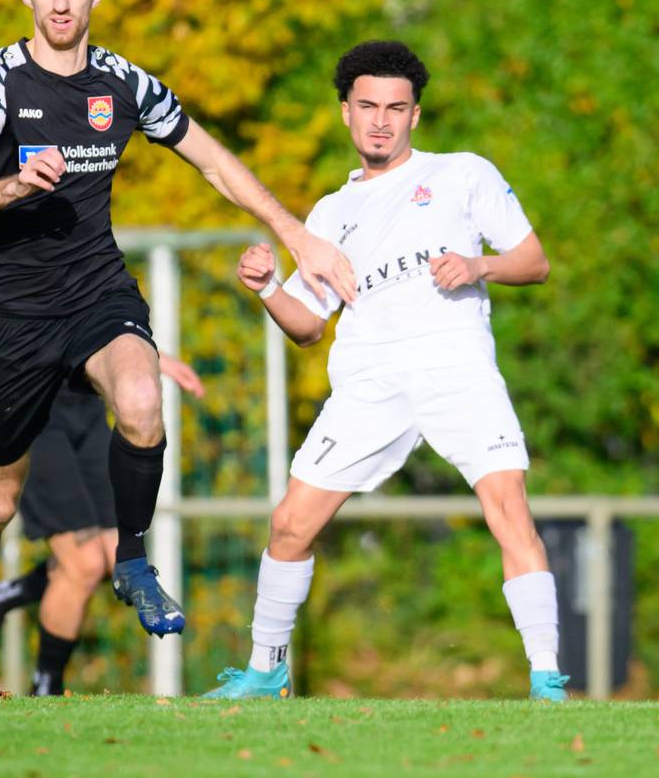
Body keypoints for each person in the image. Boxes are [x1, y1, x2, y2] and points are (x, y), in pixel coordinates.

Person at [0, 0, 356, 696]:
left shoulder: (124, 83)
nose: (62, 2)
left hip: (95, 292)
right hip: (12, 319)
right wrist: (16, 185)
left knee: (138, 398)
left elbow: (212, 160)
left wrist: (294, 233)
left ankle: (131, 559)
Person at [203, 40, 569, 703]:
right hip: (369, 384)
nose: (381, 120)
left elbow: (534, 260)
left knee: (509, 510)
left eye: (395, 109)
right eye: (368, 106)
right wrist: (265, 288)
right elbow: (309, 327)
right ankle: (265, 671)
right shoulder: (328, 215)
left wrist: (479, 266)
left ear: (415, 117)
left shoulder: (464, 174)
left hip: (456, 367)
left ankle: (547, 681)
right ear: (346, 112)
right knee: (290, 524)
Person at [0, 224, 204, 695]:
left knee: (110, 559)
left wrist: (148, 361)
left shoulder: (85, 202)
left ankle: (0, 600)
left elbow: (94, 315)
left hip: (84, 407)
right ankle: (46, 691)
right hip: (28, 409)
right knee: (80, 561)